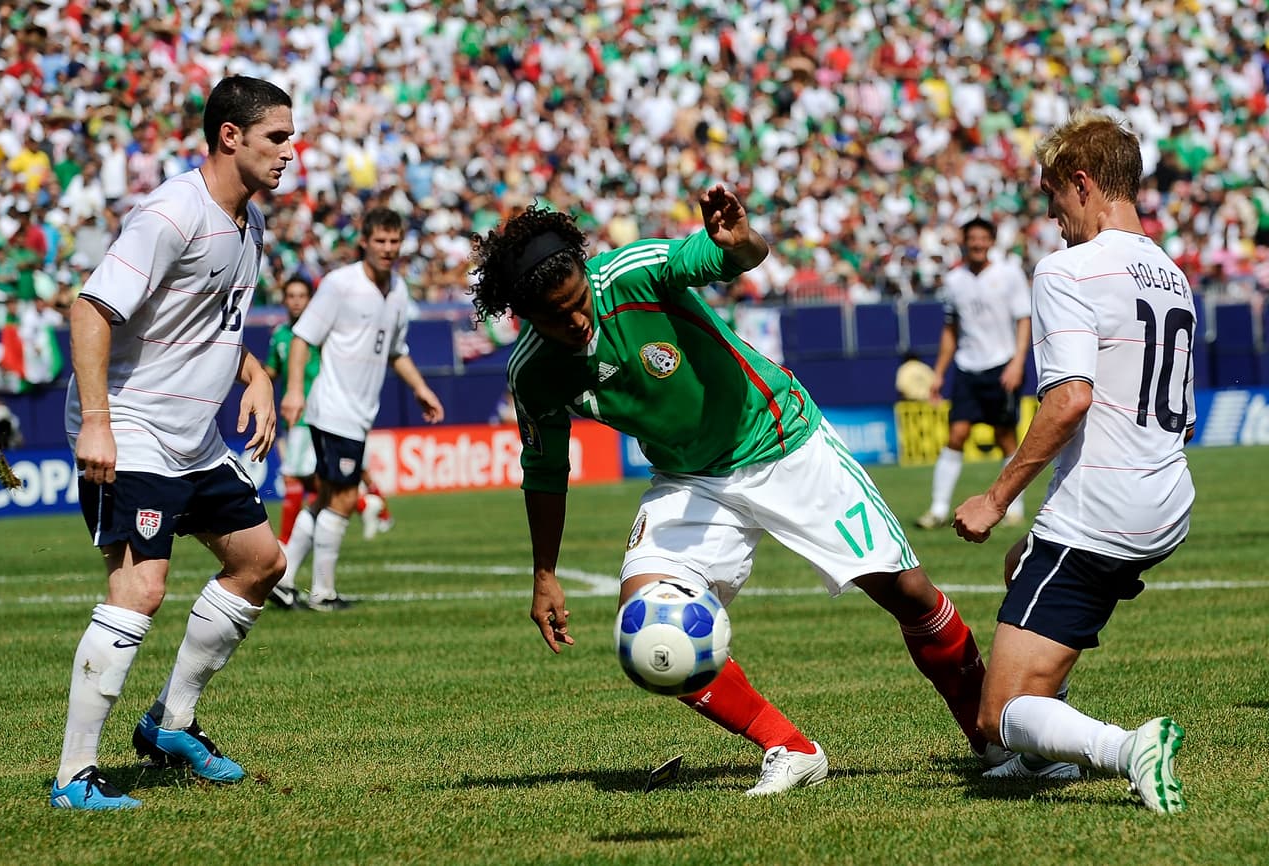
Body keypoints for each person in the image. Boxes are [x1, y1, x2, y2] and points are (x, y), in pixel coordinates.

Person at [468, 184, 997, 796]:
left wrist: (740, 240)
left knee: (909, 593)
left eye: (577, 301)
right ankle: (790, 746)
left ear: (586, 273)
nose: (575, 319)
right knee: (646, 627)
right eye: (555, 316)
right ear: (522, 315)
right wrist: (545, 573)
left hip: (780, 440)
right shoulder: (532, 371)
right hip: (690, 480)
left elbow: (728, 256)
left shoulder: (637, 273)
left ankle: (992, 738)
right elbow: (544, 471)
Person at [52, 75, 293, 810]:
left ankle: (169, 724)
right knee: (140, 588)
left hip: (193, 437)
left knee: (261, 563)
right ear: (231, 136)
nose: (291, 151)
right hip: (133, 428)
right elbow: (90, 311)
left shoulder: (248, 224)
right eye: (277, 137)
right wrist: (98, 423)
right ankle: (74, 776)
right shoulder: (172, 212)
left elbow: (208, 324)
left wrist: (255, 375)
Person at [953, 111, 1194, 814]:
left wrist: (994, 500)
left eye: (1052, 195)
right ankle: (1043, 756)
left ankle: (1128, 748)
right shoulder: (1173, 274)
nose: (1053, 216)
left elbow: (1068, 402)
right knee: (1022, 562)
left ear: (1082, 183)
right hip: (1165, 500)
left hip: (1103, 508)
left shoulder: (1067, 270)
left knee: (998, 713)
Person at [276, 207, 444, 610]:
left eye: (394, 241)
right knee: (345, 499)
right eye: (380, 241)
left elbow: (396, 350)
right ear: (363, 243)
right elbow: (302, 338)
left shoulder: (399, 291)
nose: (387, 249)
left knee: (327, 497)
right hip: (333, 408)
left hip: (358, 412)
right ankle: (323, 593)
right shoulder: (340, 285)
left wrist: (421, 388)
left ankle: (282, 581)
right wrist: (295, 390)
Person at [917, 217, 1031, 530]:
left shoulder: (1009, 275)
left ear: (991, 241)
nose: (977, 244)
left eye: (983, 238)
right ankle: (938, 509)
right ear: (964, 242)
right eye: (972, 239)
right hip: (967, 367)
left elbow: (1024, 320)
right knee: (956, 435)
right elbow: (951, 330)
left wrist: (1017, 362)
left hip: (1002, 366)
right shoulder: (954, 281)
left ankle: (1014, 507)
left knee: (1005, 436)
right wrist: (939, 372)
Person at [264, 276, 320, 554]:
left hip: (312, 415)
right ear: (284, 299)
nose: (296, 300)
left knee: (292, 478)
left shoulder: (321, 333)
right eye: (291, 295)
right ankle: (364, 505)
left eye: (302, 295)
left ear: (310, 299)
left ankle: (285, 543)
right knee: (315, 482)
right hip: (292, 416)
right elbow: (272, 371)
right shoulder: (280, 335)